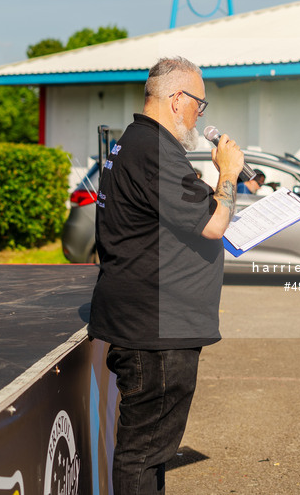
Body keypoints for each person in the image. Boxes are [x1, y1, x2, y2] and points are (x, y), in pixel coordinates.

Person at [89, 57, 245, 495]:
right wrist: (228, 173)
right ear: (177, 99)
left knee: (152, 451)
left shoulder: (141, 144)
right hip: (155, 329)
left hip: (154, 322)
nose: (201, 114)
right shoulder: (154, 151)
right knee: (143, 453)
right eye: (200, 103)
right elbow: (213, 224)